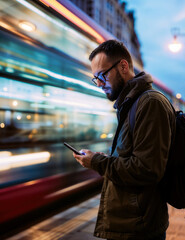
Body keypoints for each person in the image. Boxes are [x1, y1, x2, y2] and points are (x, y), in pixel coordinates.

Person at [72, 40, 176, 240]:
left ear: (123, 66)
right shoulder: (130, 104)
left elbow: (147, 169)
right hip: (129, 224)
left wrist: (97, 162)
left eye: (102, 75)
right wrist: (106, 158)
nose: (99, 84)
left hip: (138, 229)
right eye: (96, 79)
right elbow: (132, 157)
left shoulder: (150, 103)